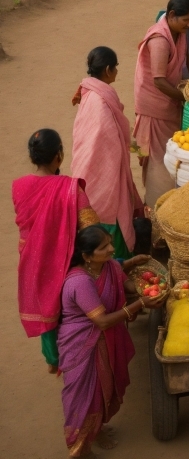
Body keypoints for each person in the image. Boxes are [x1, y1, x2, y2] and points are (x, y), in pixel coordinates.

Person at [58, 225, 165, 457]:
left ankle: (98, 429)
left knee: (103, 389)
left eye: (109, 243)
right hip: (82, 345)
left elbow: (118, 268)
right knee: (84, 394)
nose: (111, 249)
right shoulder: (80, 282)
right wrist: (140, 304)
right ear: (86, 256)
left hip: (103, 341)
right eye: (104, 247)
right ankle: (80, 446)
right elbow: (104, 322)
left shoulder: (106, 267)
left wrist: (136, 271)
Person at [12, 129, 100, 372]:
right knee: (68, 306)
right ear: (59, 156)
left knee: (45, 308)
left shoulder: (18, 186)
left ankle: (53, 360)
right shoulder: (70, 188)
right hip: (64, 259)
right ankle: (75, 357)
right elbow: (91, 227)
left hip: (32, 259)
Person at [71, 47, 144, 259]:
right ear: (109, 69)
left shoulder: (91, 93)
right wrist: (138, 151)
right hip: (103, 174)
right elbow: (111, 143)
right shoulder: (101, 101)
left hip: (85, 170)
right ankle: (116, 270)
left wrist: (137, 148)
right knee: (110, 214)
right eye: (116, 68)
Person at [133, 0, 189, 208]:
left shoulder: (176, 32)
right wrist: (186, 97)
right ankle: (158, 209)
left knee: (168, 155)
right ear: (171, 15)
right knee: (160, 162)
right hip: (155, 106)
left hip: (168, 103)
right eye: (185, 20)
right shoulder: (160, 40)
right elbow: (159, 81)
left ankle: (165, 205)